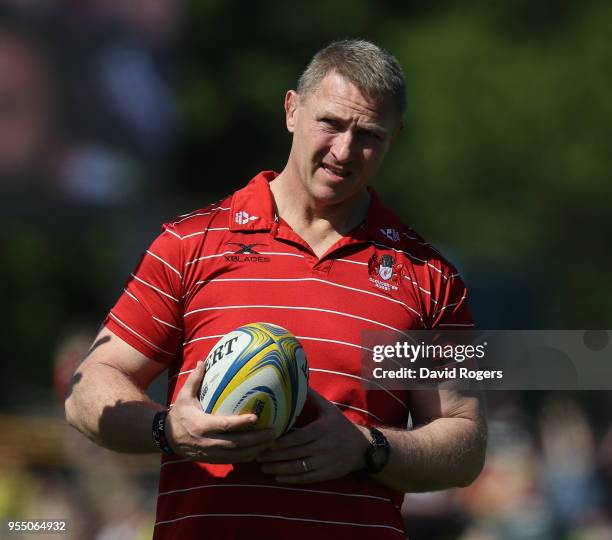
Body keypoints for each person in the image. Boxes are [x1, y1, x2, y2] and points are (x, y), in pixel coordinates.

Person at [65, 39, 487, 539]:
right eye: (330, 123)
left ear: (396, 136)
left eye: (369, 133)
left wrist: (368, 448)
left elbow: (465, 441)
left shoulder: (429, 277)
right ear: (292, 110)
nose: (344, 150)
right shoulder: (190, 242)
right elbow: (88, 389)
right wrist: (169, 430)